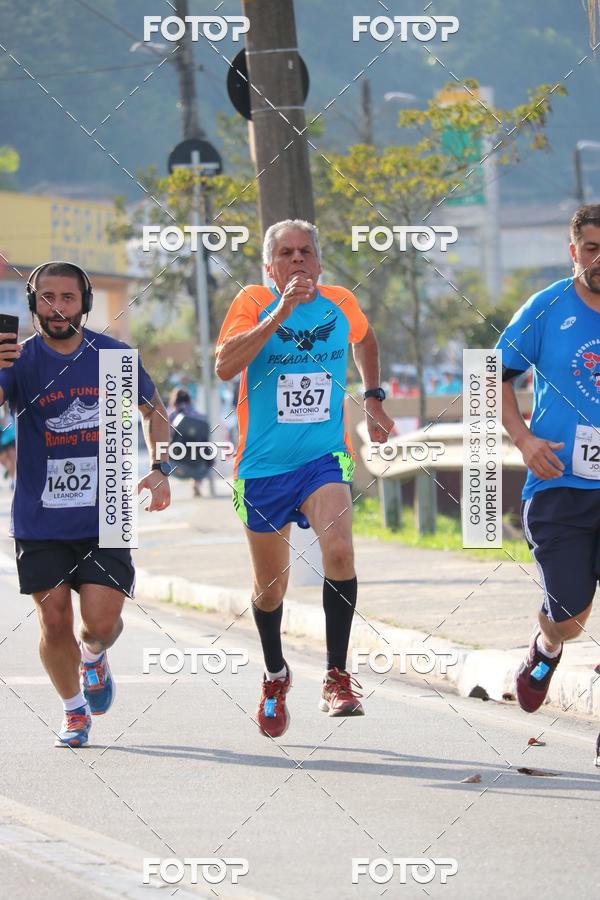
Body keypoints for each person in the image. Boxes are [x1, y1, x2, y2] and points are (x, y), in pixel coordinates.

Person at [215, 219, 394, 738]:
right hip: (263, 468)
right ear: (269, 266)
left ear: (318, 260)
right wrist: (281, 312)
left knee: (339, 552)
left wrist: (373, 396)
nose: (297, 260)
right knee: (270, 589)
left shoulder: (340, 302)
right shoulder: (253, 301)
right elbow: (225, 365)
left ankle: (337, 676)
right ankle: (275, 673)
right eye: (286, 254)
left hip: (324, 458)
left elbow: (366, 339)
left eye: (305, 252)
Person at [0, 261, 171, 748]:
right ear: (33, 304)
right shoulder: (19, 362)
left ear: (85, 303)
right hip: (40, 518)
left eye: (67, 298)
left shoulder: (112, 356)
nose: (57, 308)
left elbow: (154, 411)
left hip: (107, 513)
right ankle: (74, 710)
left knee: (100, 624)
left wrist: (160, 467)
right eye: (47, 298)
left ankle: (93, 656)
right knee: (53, 619)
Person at [497, 204, 600, 731]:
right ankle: (546, 645)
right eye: (592, 249)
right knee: (571, 616)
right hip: (559, 484)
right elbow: (490, 375)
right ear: (573, 252)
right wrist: (523, 438)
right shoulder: (547, 307)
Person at [167, 387, 210, 496]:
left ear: (174, 401)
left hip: (178, 460)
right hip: (199, 462)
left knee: (163, 453)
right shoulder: (199, 416)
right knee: (202, 453)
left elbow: (167, 436)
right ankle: (197, 483)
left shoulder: (170, 416)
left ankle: (166, 484)